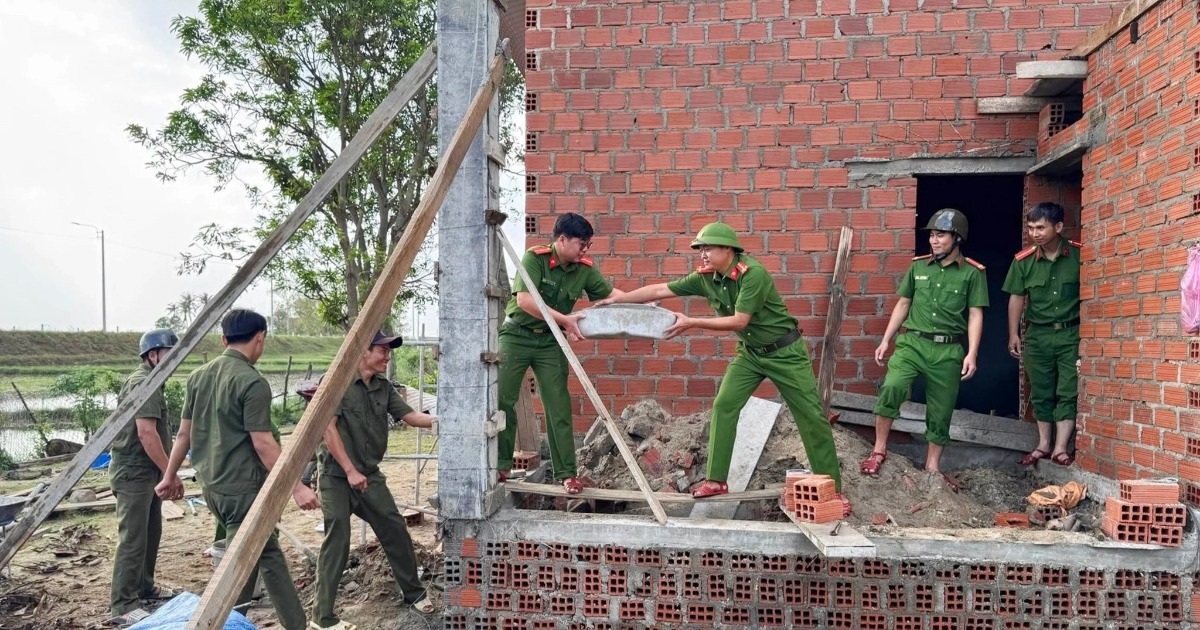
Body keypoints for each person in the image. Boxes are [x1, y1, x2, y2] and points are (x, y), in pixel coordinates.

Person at [594, 222, 848, 513]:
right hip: (750, 353)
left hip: (785, 353)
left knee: (811, 417)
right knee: (724, 404)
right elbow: (660, 289)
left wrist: (692, 322)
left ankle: (833, 492)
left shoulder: (753, 275)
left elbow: (740, 321)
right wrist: (617, 300)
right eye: (700, 249)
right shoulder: (706, 278)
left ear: (728, 249)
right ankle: (716, 480)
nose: (702, 254)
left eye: (708, 248)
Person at [156, 309, 318, 630]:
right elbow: (263, 443)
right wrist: (297, 486)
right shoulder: (251, 381)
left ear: (224, 340)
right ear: (260, 338)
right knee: (267, 558)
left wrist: (169, 475)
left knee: (243, 557)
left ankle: (235, 618)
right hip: (243, 490)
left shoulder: (198, 377)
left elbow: (184, 435)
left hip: (213, 489)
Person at [310, 332, 436, 628]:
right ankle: (322, 618)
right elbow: (328, 430)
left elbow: (411, 416)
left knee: (394, 527)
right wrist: (350, 471)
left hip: (368, 475)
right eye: (383, 350)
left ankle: (414, 593)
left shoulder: (383, 387)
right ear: (364, 352)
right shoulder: (337, 382)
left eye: (389, 351)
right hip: (336, 476)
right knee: (338, 540)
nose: (387, 356)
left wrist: (445, 421)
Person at [496, 212, 623, 494]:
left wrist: (645, 302)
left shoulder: (583, 269)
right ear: (562, 240)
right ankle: (500, 465)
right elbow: (525, 301)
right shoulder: (535, 258)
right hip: (516, 335)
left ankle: (566, 474)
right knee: (502, 398)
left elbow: (611, 295)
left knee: (558, 405)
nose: (585, 250)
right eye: (581, 244)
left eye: (588, 245)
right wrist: (565, 320)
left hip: (550, 341)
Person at [860, 209, 988, 482]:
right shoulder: (918, 267)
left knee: (941, 408)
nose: (933, 240)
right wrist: (886, 339)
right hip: (912, 343)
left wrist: (972, 353)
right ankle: (879, 449)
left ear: (957, 238)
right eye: (931, 235)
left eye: (940, 235)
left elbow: (975, 314)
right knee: (892, 386)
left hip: (947, 349)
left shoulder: (972, 273)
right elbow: (903, 304)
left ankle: (932, 467)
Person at [107, 329, 179, 625]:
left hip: (146, 471)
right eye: (170, 355)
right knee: (133, 538)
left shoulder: (153, 381)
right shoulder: (144, 383)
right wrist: (170, 473)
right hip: (134, 473)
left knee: (150, 533)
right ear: (153, 355)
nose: (175, 361)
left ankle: (144, 587)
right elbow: (146, 434)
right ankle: (123, 604)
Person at [1003, 202, 1081, 467]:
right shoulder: (1023, 261)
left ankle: (1061, 449)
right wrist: (1014, 333)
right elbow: (1016, 297)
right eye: (1030, 228)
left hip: (1071, 334)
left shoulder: (1079, 255)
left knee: (1068, 390)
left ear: (1058, 227)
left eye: (1040, 227)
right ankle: (1044, 444)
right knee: (1040, 389)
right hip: (1037, 335)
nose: (1034, 233)